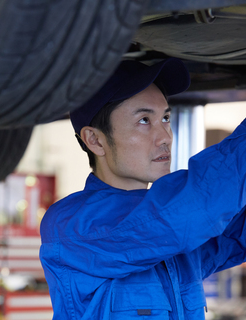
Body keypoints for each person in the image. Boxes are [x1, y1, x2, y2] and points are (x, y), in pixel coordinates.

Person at [39, 58, 246, 320]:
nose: (165, 137)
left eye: (166, 118)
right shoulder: (72, 226)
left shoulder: (173, 237)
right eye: (144, 120)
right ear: (95, 140)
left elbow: (234, 235)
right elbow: (184, 214)